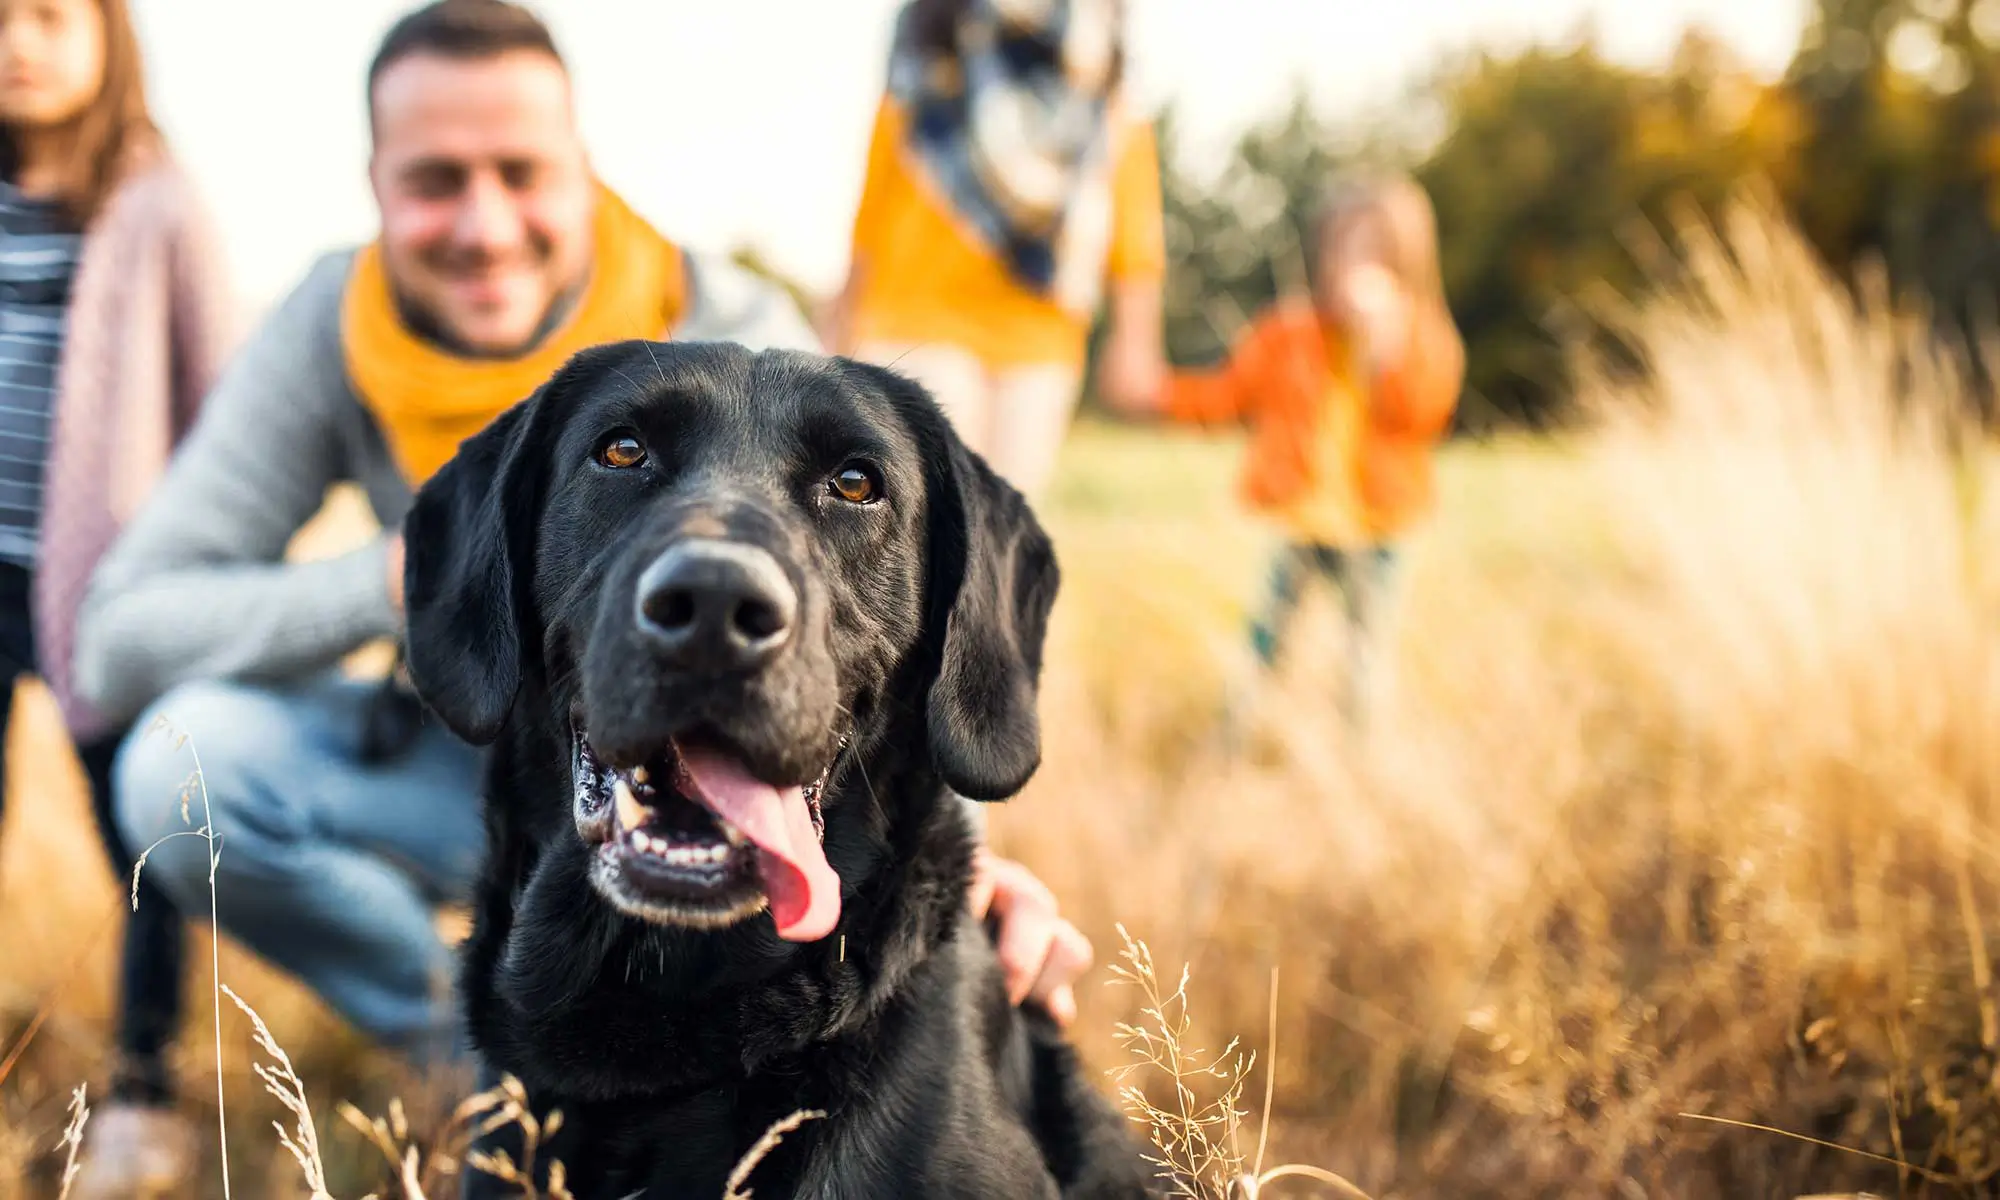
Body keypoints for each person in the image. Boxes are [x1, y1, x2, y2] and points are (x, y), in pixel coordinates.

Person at [73, 1, 1094, 1187]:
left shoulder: (729, 327)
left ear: (584, 169)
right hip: (486, 745)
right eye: (436, 179)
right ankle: (496, 1055)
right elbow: (117, 638)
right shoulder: (330, 327)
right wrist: (394, 579)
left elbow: (889, 618)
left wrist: (956, 866)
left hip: (753, 763)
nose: (485, 223)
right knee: (179, 763)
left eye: (522, 172)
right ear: (374, 182)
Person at [0, 0, 236, 1190]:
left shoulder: (157, 203)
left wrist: (195, 577)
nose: (19, 41)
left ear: (109, 38)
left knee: (142, 835)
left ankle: (146, 1092)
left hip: (109, 589)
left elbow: (224, 407)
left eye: (47, 15)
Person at [1123, 170, 1464, 731]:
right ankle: (1234, 735)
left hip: (1376, 529)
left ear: (1408, 259)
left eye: (1375, 249)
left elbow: (1423, 414)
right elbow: (1226, 395)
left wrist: (1386, 346)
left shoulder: (1422, 337)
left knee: (1365, 651)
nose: (1357, 264)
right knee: (1265, 641)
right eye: (1345, 248)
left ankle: (1362, 748)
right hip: (1301, 520)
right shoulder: (1287, 335)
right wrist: (1158, 394)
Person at [822, 0, 1166, 501]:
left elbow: (1129, 194)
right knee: (924, 512)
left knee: (1004, 528)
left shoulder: (1097, 45)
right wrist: (842, 311)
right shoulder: (930, 30)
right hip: (917, 316)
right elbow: (880, 184)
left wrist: (1137, 336)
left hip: (1041, 331)